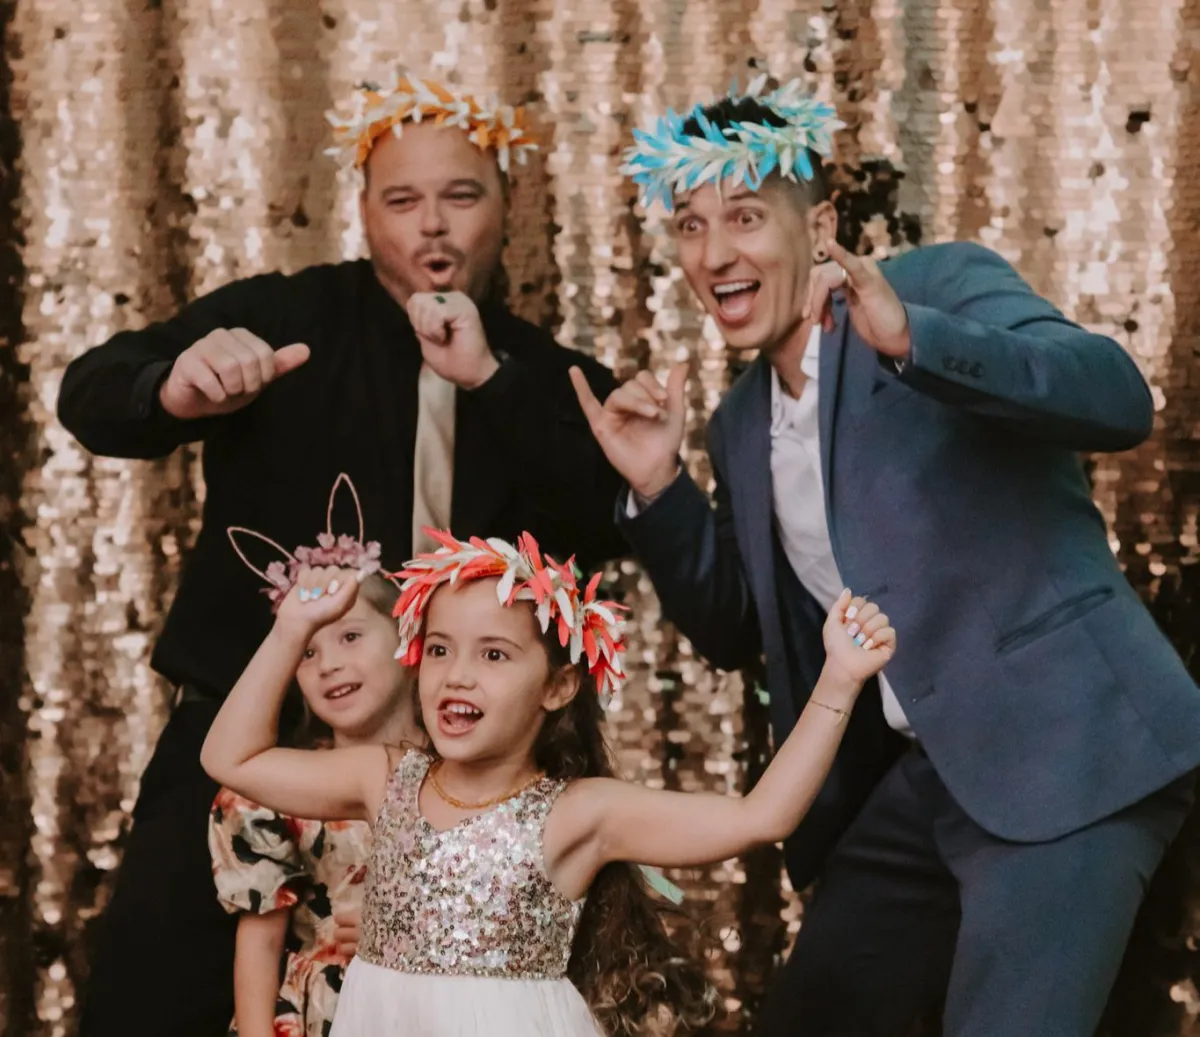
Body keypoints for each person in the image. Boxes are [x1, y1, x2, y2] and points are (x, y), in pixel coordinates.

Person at [570, 75, 1200, 1037]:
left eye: (746, 215)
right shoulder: (739, 423)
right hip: (924, 779)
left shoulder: (935, 285)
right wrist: (659, 486)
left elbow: (1115, 396)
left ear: (820, 224)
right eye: (691, 225)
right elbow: (740, 628)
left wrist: (915, 341)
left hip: (1069, 746)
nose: (716, 252)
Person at [56, 74, 626, 1037]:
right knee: (148, 999)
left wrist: (490, 383)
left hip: (449, 777)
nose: (432, 223)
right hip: (245, 735)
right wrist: (172, 390)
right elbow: (89, 391)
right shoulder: (289, 321)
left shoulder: (550, 378)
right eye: (402, 199)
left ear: (507, 206)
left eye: (462, 194)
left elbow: (605, 521)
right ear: (364, 212)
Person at [200, 527, 896, 1036]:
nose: (457, 675)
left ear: (559, 686)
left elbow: (762, 816)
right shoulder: (386, 777)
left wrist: (839, 678)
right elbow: (232, 758)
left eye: (494, 654)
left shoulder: (577, 813)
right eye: (439, 649)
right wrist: (290, 630)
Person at [208, 474, 424, 1037]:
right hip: (330, 1014)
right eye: (306, 652)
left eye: (350, 637)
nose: (328, 665)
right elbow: (260, 942)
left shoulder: (464, 776)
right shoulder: (277, 791)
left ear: (408, 641)